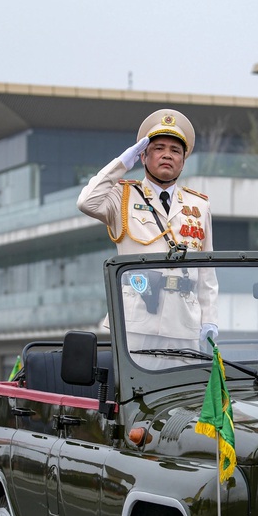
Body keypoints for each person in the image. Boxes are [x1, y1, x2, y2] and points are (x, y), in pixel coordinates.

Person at [77, 109, 218, 361]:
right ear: (142, 156)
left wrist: (209, 319)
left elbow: (206, 273)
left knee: (182, 394)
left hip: (183, 320)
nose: (167, 155)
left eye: (175, 151)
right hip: (135, 318)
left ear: (183, 161)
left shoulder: (199, 206)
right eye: (158, 148)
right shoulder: (122, 196)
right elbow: (87, 202)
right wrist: (121, 164)